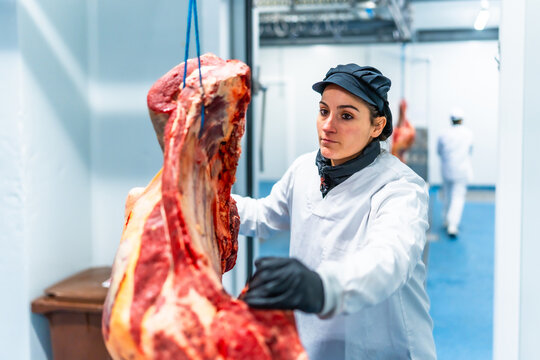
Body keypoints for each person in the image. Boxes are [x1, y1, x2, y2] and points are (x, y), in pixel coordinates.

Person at [233, 64, 436, 360]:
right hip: (315, 340)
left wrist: (319, 285)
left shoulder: (401, 188)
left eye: (346, 115)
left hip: (382, 348)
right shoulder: (304, 169)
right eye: (324, 111)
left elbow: (388, 260)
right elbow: (265, 214)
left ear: (377, 127)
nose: (328, 125)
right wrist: (210, 203)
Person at [437, 109, 474, 238]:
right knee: (458, 196)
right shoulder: (468, 134)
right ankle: (453, 225)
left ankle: (446, 220)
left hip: (447, 169)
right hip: (462, 170)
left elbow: (439, 151)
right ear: (462, 120)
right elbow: (470, 151)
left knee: (447, 194)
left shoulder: (443, 134)